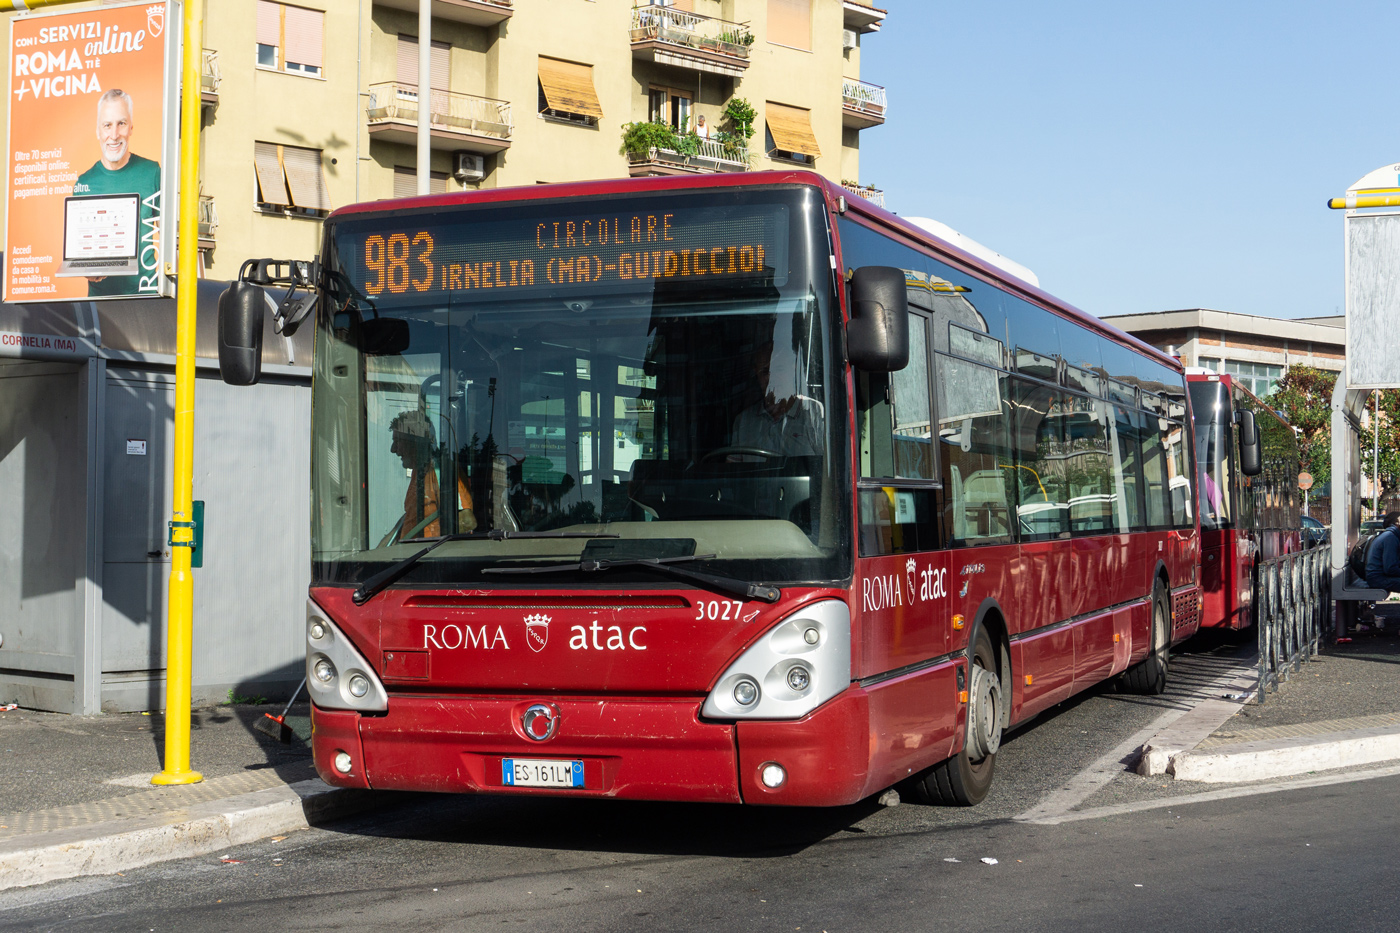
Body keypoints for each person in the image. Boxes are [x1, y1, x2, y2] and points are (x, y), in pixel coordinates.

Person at [73, 89, 162, 297]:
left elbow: (170, 240)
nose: (114, 135)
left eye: (121, 124)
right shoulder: (84, 183)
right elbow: (81, 250)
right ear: (98, 131)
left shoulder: (152, 172)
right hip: (100, 303)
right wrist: (86, 270)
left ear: (131, 127)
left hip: (146, 297)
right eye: (107, 125)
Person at [387, 409, 475, 543]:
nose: (393, 449)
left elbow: (467, 522)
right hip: (410, 555)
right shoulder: (419, 471)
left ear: (416, 441)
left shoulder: (440, 469)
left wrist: (433, 550)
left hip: (427, 557)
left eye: (398, 441)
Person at [729, 341, 824, 458]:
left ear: (793, 370)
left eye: (778, 369)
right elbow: (734, 471)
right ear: (756, 374)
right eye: (765, 372)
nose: (771, 378)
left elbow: (826, 466)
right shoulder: (744, 421)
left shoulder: (814, 412)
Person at [1365, 511, 1400, 592]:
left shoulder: (1391, 536)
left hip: (1378, 577)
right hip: (1378, 579)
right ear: (1397, 524)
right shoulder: (1390, 538)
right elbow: (1390, 569)